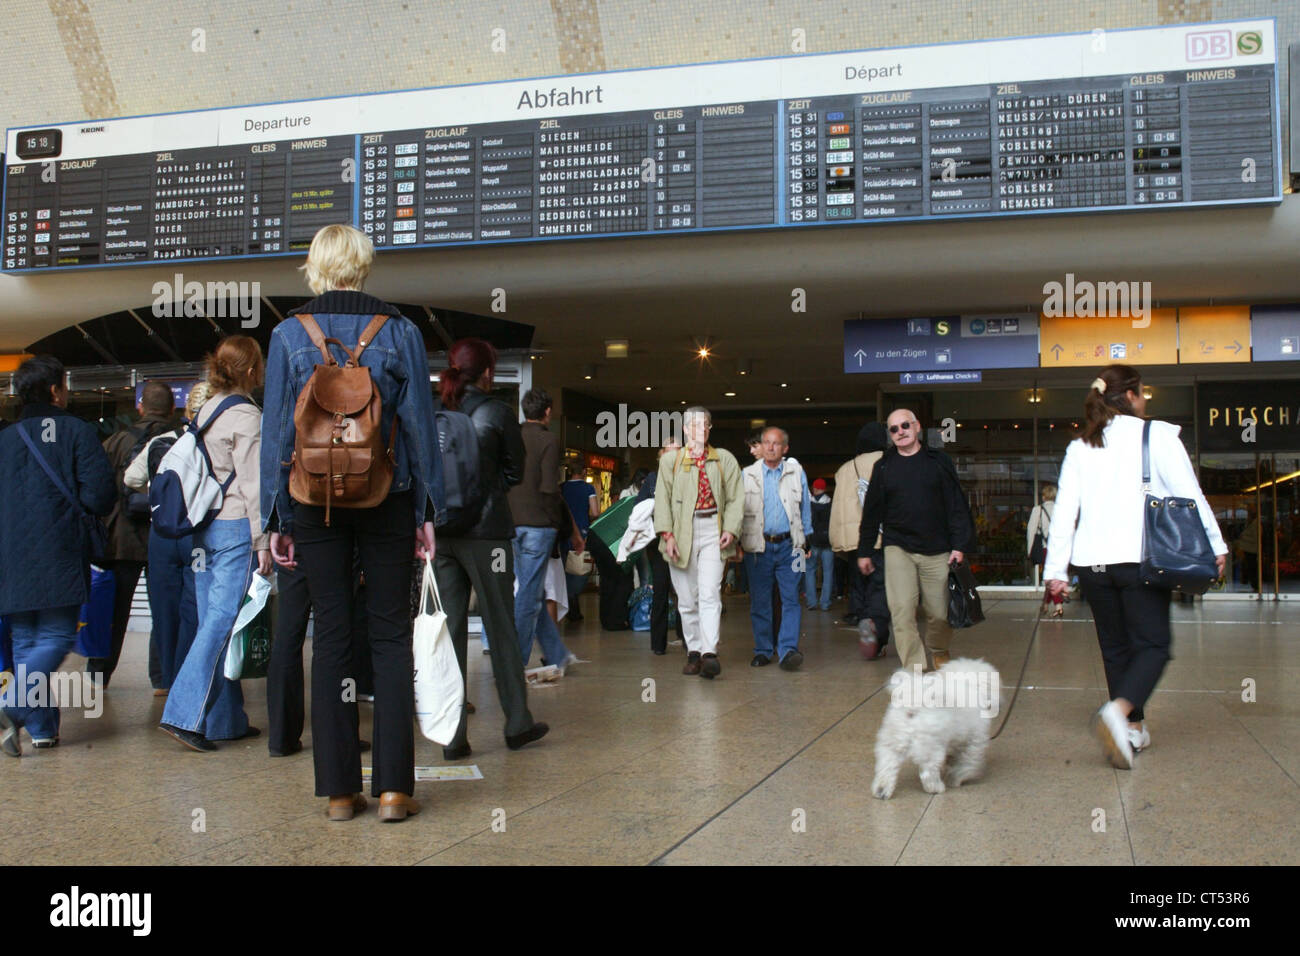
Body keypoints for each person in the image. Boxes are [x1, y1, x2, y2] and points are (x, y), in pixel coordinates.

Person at [261, 223, 443, 821]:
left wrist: (275, 519)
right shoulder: (402, 332)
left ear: (314, 268)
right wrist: (425, 509)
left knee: (331, 636)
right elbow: (418, 425)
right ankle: (394, 789)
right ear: (363, 266)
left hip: (312, 500)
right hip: (387, 495)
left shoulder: (289, 335)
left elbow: (277, 436)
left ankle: (341, 791)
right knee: (390, 637)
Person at [1044, 365, 1227, 769]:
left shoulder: (1080, 446)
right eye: (1143, 393)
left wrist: (1056, 571)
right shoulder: (1157, 435)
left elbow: (1064, 514)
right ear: (1129, 396)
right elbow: (1189, 495)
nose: (1146, 401)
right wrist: (1214, 543)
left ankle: (1133, 731)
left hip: (1092, 565)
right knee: (1154, 646)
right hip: (1140, 560)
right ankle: (1119, 711)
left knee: (1116, 648)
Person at [432, 337, 549, 762]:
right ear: (486, 373)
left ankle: (453, 737)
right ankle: (517, 723)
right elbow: (514, 472)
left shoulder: (435, 410)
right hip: (488, 536)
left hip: (442, 536)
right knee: (500, 624)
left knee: (450, 632)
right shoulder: (497, 411)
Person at [0, 356, 116, 755]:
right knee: (57, 634)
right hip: (59, 549)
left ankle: (42, 728)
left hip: (9, 554)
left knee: (27, 640)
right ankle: (11, 708)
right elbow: (100, 495)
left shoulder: (4, 438)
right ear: (55, 391)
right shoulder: (74, 431)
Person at [159, 337, 268, 752]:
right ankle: (183, 715)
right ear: (252, 370)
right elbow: (254, 486)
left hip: (203, 529)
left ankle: (224, 721)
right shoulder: (245, 416)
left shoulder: (207, 408)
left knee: (211, 623)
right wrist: (263, 541)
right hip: (235, 527)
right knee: (222, 623)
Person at [858, 408, 974, 674]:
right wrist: (865, 551)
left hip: (938, 549)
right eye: (894, 429)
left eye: (905, 426)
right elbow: (872, 512)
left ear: (917, 427)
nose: (900, 432)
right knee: (901, 610)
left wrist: (959, 545)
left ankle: (938, 648)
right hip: (898, 547)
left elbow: (956, 505)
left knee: (940, 612)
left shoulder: (938, 461)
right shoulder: (884, 466)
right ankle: (915, 667)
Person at [124, 381, 212, 693]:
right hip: (197, 535)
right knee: (195, 611)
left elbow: (131, 477)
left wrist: (160, 496)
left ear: (186, 409)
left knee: (163, 612)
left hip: (161, 535)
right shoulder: (214, 440)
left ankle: (167, 680)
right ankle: (189, 684)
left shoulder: (164, 440)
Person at [88, 380, 178, 690]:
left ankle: (99, 676)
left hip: (122, 540)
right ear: (172, 409)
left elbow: (96, 489)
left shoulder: (115, 441)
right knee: (165, 611)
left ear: (139, 407)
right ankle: (162, 678)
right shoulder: (178, 440)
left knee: (113, 614)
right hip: (165, 537)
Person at [653, 406, 742, 679]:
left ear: (709, 429)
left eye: (704, 425)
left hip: (713, 529)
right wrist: (667, 535)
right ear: (684, 429)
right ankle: (693, 651)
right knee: (686, 598)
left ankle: (708, 653)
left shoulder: (723, 459)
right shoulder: (672, 461)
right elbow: (662, 500)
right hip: (681, 531)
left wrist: (731, 529)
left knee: (709, 593)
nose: (699, 430)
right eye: (693, 425)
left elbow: (736, 498)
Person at [508, 387, 581, 670]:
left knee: (532, 590)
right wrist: (556, 524)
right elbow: (550, 488)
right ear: (547, 412)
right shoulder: (549, 440)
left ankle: (557, 655)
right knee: (528, 594)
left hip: (512, 524)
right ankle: (515, 662)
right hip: (539, 525)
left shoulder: (512, 435)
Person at [741, 427, 813, 670]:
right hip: (758, 547)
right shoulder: (747, 474)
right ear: (761, 445)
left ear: (785, 448)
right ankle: (763, 650)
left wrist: (806, 541)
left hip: (791, 547)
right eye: (766, 443)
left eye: (776, 443)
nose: (770, 447)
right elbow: (738, 510)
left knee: (792, 598)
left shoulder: (796, 472)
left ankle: (788, 650)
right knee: (760, 601)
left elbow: (805, 508)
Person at [831, 422, 891, 659]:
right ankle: (876, 628)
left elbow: (839, 508)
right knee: (882, 585)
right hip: (881, 535)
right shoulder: (888, 461)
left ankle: (861, 614)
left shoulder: (845, 469)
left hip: (855, 538)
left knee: (859, 583)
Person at [636, 439, 685, 654]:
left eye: (677, 451)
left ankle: (687, 639)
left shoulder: (688, 476)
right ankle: (658, 644)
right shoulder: (652, 480)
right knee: (661, 591)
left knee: (685, 593)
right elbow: (639, 508)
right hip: (658, 544)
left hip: (685, 542)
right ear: (661, 454)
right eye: (669, 451)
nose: (673, 456)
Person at [561, 468, 598, 621]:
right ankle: (574, 599)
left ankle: (567, 602)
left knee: (564, 567)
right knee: (581, 567)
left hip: (564, 532)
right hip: (582, 531)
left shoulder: (561, 488)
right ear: (583, 471)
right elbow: (595, 512)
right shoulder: (588, 488)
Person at [1027, 483, 1061, 616]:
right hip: (1059, 549)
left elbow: (1031, 530)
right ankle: (1045, 605)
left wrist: (1029, 550)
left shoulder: (1038, 510)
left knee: (1050, 578)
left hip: (1046, 548)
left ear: (1044, 496)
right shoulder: (1061, 509)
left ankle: (1058, 605)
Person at [805, 478, 834, 611]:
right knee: (828, 573)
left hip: (813, 542)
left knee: (810, 571)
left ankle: (811, 602)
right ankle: (825, 603)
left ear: (815, 489)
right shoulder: (831, 504)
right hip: (828, 542)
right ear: (825, 489)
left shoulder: (808, 504)